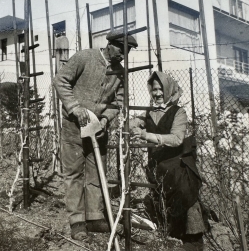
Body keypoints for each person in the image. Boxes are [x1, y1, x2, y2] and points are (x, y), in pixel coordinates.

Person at [53, 30, 138, 241]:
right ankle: (77, 221)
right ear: (109, 44)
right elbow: (60, 80)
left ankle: (94, 217)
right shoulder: (85, 57)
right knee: (73, 174)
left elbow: (118, 102)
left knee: (96, 173)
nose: (123, 54)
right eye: (121, 49)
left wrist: (106, 119)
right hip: (74, 126)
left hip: (98, 129)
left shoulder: (120, 72)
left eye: (127, 51)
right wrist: (75, 107)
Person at [132, 71, 206, 251]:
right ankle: (173, 230)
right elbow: (134, 123)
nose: (156, 94)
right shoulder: (149, 113)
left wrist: (146, 135)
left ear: (169, 90)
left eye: (160, 90)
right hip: (158, 162)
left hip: (177, 160)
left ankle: (195, 240)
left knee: (184, 189)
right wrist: (132, 124)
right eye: (154, 89)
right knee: (160, 188)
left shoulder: (178, 112)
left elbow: (176, 139)